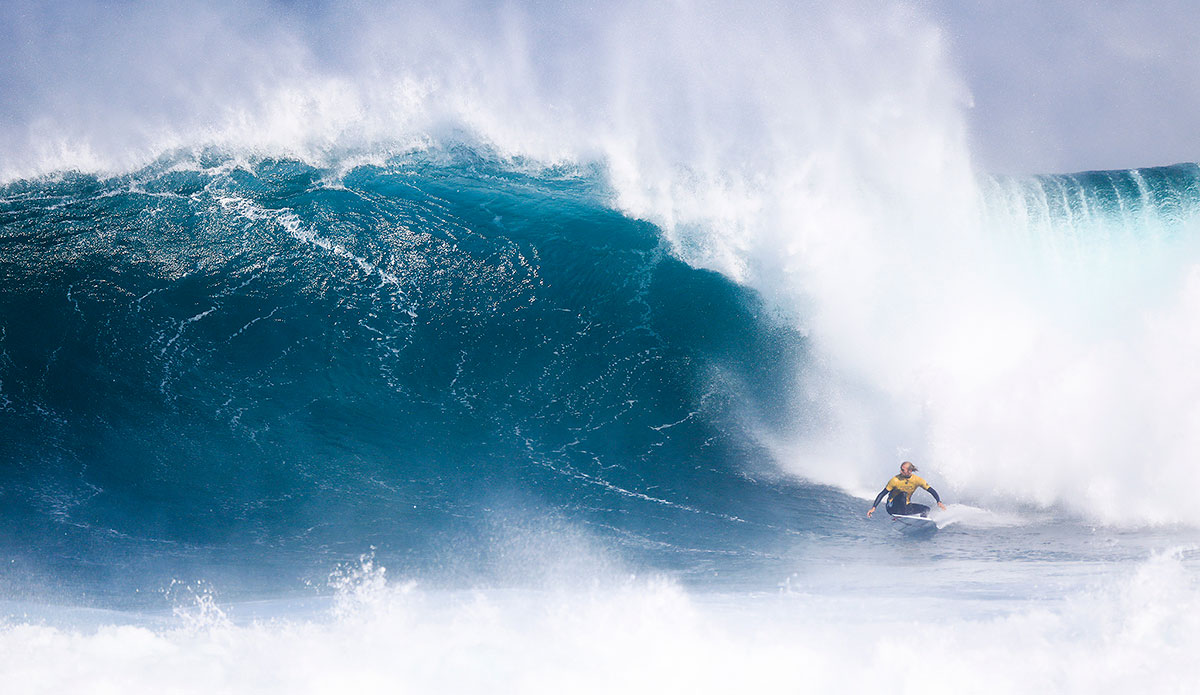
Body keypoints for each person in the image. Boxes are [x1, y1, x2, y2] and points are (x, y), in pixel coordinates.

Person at [867, 461, 947, 518]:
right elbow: (882, 494)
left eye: (903, 470)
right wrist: (873, 507)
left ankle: (920, 522)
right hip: (892, 507)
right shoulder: (895, 480)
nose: (900, 471)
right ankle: (900, 514)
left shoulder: (917, 480)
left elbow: (930, 490)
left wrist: (938, 501)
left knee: (926, 509)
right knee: (903, 494)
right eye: (901, 469)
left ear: (910, 471)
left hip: (905, 507)